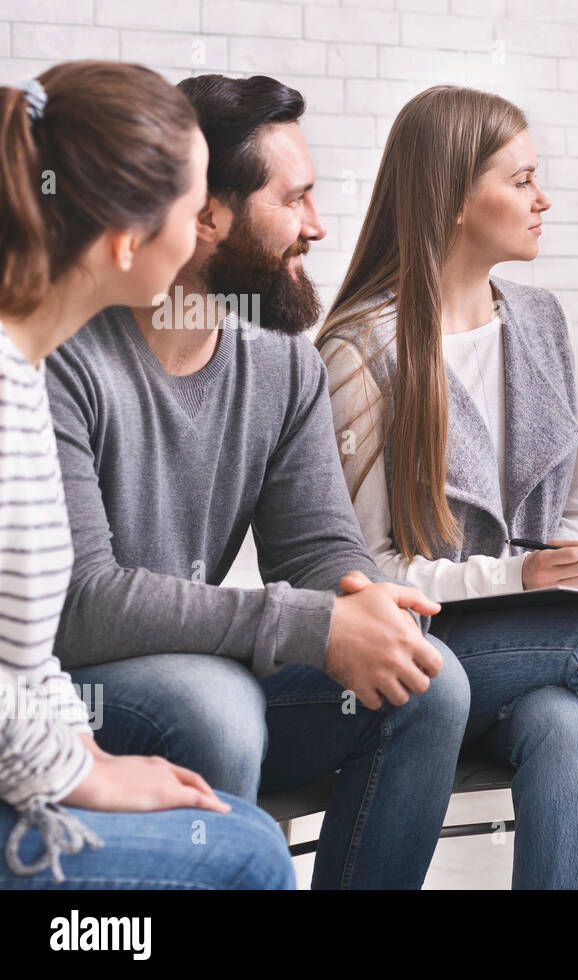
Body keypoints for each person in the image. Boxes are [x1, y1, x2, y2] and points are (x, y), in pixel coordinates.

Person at [45, 73, 471, 890]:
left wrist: (364, 606)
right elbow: (79, 603)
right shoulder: (63, 355)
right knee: (213, 705)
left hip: (210, 657)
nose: (316, 227)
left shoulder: (282, 366)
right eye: (296, 199)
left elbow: (319, 555)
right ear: (207, 214)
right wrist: (306, 626)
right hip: (78, 685)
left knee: (427, 681)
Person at [316, 85, 578, 890]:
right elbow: (360, 573)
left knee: (564, 727)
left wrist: (564, 555)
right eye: (521, 180)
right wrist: (513, 578)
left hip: (525, 652)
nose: (544, 199)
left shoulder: (540, 321)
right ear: (455, 199)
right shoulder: (360, 352)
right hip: (417, 654)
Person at [0, 61, 292, 889]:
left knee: (231, 828)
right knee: (246, 856)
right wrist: (77, 777)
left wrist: (86, 753)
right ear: (129, 241)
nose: (210, 226)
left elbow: (21, 663)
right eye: (197, 205)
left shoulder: (23, 370)